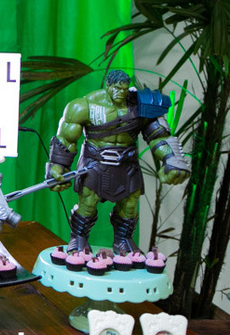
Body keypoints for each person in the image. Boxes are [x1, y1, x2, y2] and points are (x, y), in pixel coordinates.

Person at [48, 70, 190, 254]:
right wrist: (58, 165)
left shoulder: (140, 105)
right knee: (88, 204)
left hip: (127, 163)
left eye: (124, 89)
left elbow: (158, 136)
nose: (120, 93)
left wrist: (171, 160)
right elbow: (66, 138)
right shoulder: (84, 106)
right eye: (116, 88)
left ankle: (123, 241)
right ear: (108, 85)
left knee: (129, 206)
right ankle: (78, 239)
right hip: (95, 162)